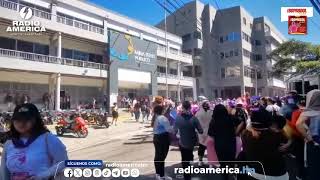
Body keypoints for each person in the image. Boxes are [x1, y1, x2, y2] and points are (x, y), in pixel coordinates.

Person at [0, 103, 68, 180]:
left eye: (27, 119)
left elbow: (63, 162)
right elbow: (3, 173)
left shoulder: (47, 139)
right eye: (18, 119)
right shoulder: (9, 144)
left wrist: (42, 176)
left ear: (35, 120)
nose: (21, 123)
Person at [241, 108, 289, 180]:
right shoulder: (277, 135)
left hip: (255, 173)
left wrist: (251, 128)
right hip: (277, 175)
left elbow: (249, 126)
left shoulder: (245, 134)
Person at [174, 101, 203, 180]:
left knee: (184, 158)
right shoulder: (194, 118)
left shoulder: (178, 118)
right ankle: (189, 167)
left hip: (182, 142)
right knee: (189, 155)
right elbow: (201, 131)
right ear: (190, 108)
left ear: (182, 108)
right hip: (191, 142)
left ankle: (186, 175)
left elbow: (174, 131)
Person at [208, 104, 236, 180]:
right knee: (231, 160)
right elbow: (234, 129)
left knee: (222, 163)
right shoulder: (230, 118)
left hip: (219, 144)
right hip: (231, 143)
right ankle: (233, 174)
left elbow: (210, 133)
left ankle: (225, 177)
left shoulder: (213, 121)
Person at [296, 89, 320, 180]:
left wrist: (308, 137)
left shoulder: (309, 111)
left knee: (314, 169)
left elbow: (298, 124)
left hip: (314, 144)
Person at [151, 105, 172, 180]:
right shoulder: (162, 118)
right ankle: (159, 175)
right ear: (162, 110)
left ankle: (160, 175)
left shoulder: (155, 118)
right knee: (161, 157)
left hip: (157, 138)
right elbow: (169, 129)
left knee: (159, 156)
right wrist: (174, 127)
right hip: (163, 138)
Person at [195, 101, 212, 166]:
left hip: (201, 133)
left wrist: (196, 131)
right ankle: (210, 162)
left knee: (201, 147)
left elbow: (195, 123)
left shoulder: (198, 113)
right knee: (210, 147)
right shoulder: (211, 112)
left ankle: (200, 161)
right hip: (209, 132)